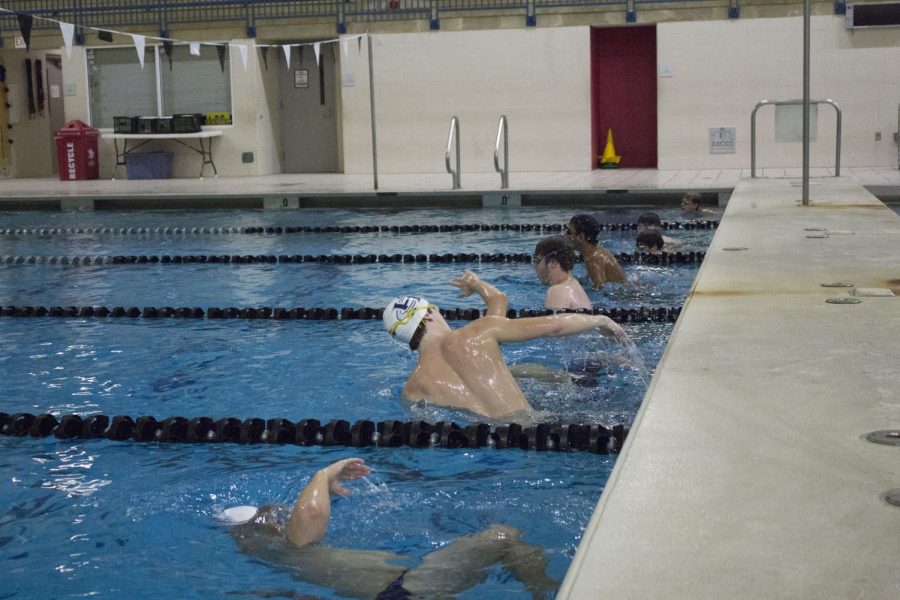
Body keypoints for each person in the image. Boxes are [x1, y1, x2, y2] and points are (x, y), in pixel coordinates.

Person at [228, 458, 558, 599]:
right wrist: (323, 475)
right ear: (263, 527)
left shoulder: (279, 560)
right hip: (407, 590)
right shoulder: (292, 547)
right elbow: (311, 511)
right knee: (503, 536)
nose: (281, 516)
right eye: (273, 516)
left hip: (404, 589)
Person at [383, 271, 629, 420]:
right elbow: (553, 326)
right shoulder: (477, 331)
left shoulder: (412, 388)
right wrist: (599, 320)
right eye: (435, 309)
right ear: (428, 315)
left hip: (497, 443)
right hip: (538, 426)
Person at [566, 214, 626, 289]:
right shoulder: (596, 251)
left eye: (569, 232)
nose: (565, 235)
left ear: (581, 237)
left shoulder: (593, 258)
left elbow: (599, 289)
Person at [533, 235, 591, 310]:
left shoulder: (557, 291)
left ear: (553, 262)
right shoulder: (573, 284)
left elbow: (555, 321)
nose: (534, 266)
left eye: (537, 261)